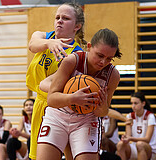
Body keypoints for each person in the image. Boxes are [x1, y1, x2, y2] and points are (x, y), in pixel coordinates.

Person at [37, 28, 122, 160]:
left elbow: (103, 112)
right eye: (100, 55)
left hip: (86, 120)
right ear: (89, 47)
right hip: (58, 116)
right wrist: (73, 98)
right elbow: (51, 99)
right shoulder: (72, 61)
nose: (103, 62)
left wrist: (101, 108)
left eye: (109, 59)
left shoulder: (113, 75)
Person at [26, 3, 86, 159]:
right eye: (57, 17)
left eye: (65, 18)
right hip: (40, 104)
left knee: (69, 154)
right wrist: (49, 43)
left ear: (77, 26)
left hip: (60, 108)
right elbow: (32, 45)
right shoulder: (44, 37)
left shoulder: (77, 54)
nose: (59, 20)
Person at [116, 92, 156, 160]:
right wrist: (125, 138)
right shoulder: (129, 116)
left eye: (136, 103)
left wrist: (130, 138)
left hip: (151, 149)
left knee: (140, 144)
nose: (133, 106)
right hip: (135, 147)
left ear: (143, 103)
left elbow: (147, 139)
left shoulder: (150, 116)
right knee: (120, 144)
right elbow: (128, 136)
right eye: (132, 103)